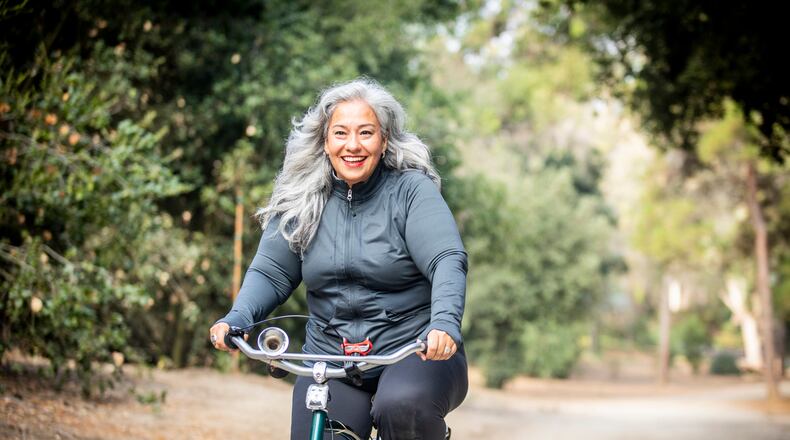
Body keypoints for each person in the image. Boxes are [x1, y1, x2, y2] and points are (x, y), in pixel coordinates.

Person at [209, 78, 468, 439]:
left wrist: (442, 324)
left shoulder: (411, 192)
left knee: (402, 406)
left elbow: (446, 258)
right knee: (318, 427)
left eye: (366, 132)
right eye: (341, 133)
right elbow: (271, 272)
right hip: (331, 360)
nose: (353, 145)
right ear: (325, 141)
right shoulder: (302, 197)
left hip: (416, 351)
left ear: (384, 140)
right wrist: (238, 318)